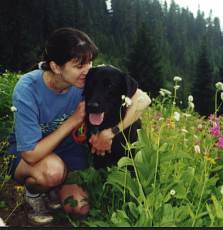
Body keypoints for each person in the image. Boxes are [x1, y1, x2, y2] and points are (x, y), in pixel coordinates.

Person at [7, 27, 151, 225]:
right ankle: (34, 194)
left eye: (90, 62)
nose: (87, 69)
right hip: (29, 155)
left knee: (80, 207)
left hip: (67, 152)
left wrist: (110, 133)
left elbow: (143, 99)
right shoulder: (28, 89)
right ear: (56, 67)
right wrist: (73, 121)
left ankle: (55, 189)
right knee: (52, 172)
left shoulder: (86, 79)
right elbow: (30, 153)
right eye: (79, 65)